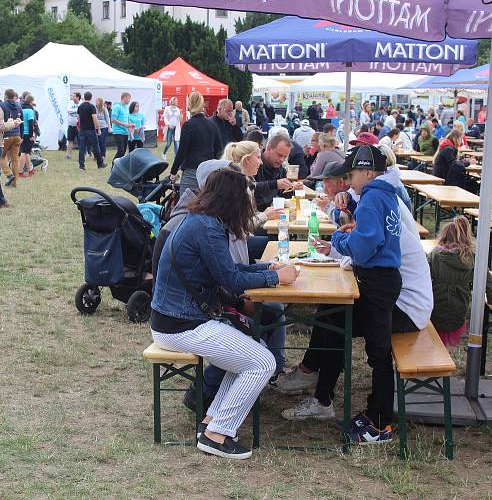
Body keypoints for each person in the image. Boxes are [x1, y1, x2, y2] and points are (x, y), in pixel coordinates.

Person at [150, 167, 298, 460]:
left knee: (251, 354)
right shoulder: (208, 227)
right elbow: (231, 280)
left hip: (178, 321)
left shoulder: (201, 221)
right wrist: (276, 278)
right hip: (181, 326)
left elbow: (228, 271)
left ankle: (211, 423)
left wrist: (267, 269)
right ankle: (217, 435)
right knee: (263, 362)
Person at [277, 159, 432, 408]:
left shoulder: (373, 206)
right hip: (400, 297)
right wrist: (337, 244)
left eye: (350, 178)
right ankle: (312, 378)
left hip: (409, 308)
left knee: (336, 318)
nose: (347, 185)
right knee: (331, 313)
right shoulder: (379, 202)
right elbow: (358, 251)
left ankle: (320, 396)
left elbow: (358, 256)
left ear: (368, 175)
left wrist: (338, 239)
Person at [306, 145, 403, 444]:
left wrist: (338, 237)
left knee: (379, 354)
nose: (348, 180)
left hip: (377, 280)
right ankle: (340, 400)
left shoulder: (374, 196)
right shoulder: (386, 194)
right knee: (337, 321)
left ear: (368, 172)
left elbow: (363, 246)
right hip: (382, 280)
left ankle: (381, 422)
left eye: (351, 173)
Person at [427, 216, 492, 347]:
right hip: (459, 306)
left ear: (443, 237)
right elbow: (487, 280)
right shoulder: (472, 258)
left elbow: (423, 277)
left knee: (434, 339)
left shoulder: (434, 256)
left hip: (435, 306)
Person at [170, 91, 221, 195]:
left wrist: (173, 171)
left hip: (192, 170)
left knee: (186, 205)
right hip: (208, 171)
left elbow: (182, 151)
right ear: (202, 104)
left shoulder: (188, 125)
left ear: (190, 104)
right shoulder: (212, 125)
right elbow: (218, 150)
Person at [253, 131, 294, 212]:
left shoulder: (280, 168)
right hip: (254, 215)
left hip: (269, 213)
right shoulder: (254, 162)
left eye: (285, 157)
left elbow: (284, 195)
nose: (282, 160)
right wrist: (275, 184)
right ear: (269, 148)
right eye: (279, 155)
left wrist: (291, 188)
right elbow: (247, 187)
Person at [0, 89, 23, 186]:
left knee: (0, 156)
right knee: (15, 159)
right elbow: (22, 121)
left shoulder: (1, 106)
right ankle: (15, 183)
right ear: (14, 96)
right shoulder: (19, 105)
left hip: (6, 135)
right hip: (17, 135)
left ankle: (9, 174)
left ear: (5, 96)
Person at [77, 91, 105, 170]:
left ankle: (81, 166)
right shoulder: (92, 107)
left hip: (82, 129)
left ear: (84, 97)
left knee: (82, 148)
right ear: (91, 98)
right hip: (90, 130)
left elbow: (78, 118)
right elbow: (94, 118)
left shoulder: (80, 106)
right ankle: (100, 164)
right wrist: (98, 128)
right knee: (96, 146)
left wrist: (80, 127)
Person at [18, 93, 38, 179]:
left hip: (22, 132)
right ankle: (20, 172)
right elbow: (31, 124)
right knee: (23, 152)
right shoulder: (30, 111)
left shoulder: (21, 109)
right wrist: (31, 135)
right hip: (27, 133)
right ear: (31, 101)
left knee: (26, 152)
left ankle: (30, 170)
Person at [110, 92, 133, 163]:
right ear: (125, 97)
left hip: (125, 132)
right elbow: (113, 120)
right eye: (129, 98)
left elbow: (127, 118)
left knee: (123, 152)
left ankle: (119, 168)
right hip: (118, 131)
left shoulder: (126, 107)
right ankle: (114, 165)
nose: (129, 100)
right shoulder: (117, 106)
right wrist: (124, 125)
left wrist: (130, 125)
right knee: (121, 151)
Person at [65, 92, 81, 159]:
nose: (72, 97)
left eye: (74, 96)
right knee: (70, 140)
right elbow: (68, 110)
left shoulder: (81, 103)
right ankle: (68, 155)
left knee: (80, 141)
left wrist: (74, 111)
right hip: (71, 125)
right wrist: (77, 111)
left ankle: (82, 155)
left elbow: (80, 111)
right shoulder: (70, 102)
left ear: (77, 97)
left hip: (79, 126)